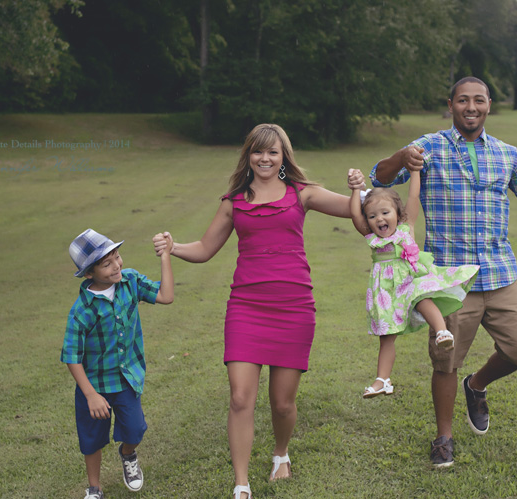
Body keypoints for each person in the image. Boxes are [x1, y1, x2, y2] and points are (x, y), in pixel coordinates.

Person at [371, 76, 517, 468]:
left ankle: (476, 385)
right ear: (451, 104)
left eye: (478, 100)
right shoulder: (429, 147)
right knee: (445, 361)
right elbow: (380, 179)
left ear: (489, 104)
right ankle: (444, 437)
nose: (470, 107)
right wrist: (401, 157)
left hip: (501, 273)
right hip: (451, 281)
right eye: (462, 100)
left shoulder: (508, 155)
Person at [153, 124, 362, 499]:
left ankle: (281, 453)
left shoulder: (303, 194)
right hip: (246, 307)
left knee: (282, 403)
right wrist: (173, 246)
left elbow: (352, 211)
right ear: (248, 156)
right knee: (239, 397)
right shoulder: (234, 201)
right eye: (258, 152)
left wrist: (356, 188)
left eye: (273, 152)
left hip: (294, 306)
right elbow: (204, 248)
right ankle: (241, 483)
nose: (265, 159)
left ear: (284, 158)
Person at [61, 228, 174, 498]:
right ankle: (94, 488)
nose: (116, 265)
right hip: (94, 387)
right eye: (106, 263)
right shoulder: (82, 310)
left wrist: (165, 257)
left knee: (135, 429)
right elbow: (72, 357)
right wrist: (90, 395)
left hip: (126, 380)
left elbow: (166, 296)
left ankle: (127, 454)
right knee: (92, 440)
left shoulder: (130, 281)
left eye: (117, 256)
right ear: (90, 273)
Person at [347, 168, 478, 398]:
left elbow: (413, 197)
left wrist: (415, 171)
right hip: (386, 293)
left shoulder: (407, 229)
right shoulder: (374, 239)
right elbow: (355, 216)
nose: (380, 219)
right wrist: (355, 190)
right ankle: (383, 379)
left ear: (398, 214)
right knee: (386, 337)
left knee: (421, 296)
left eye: (385, 212)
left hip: (411, 282)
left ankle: (442, 331)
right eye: (373, 216)